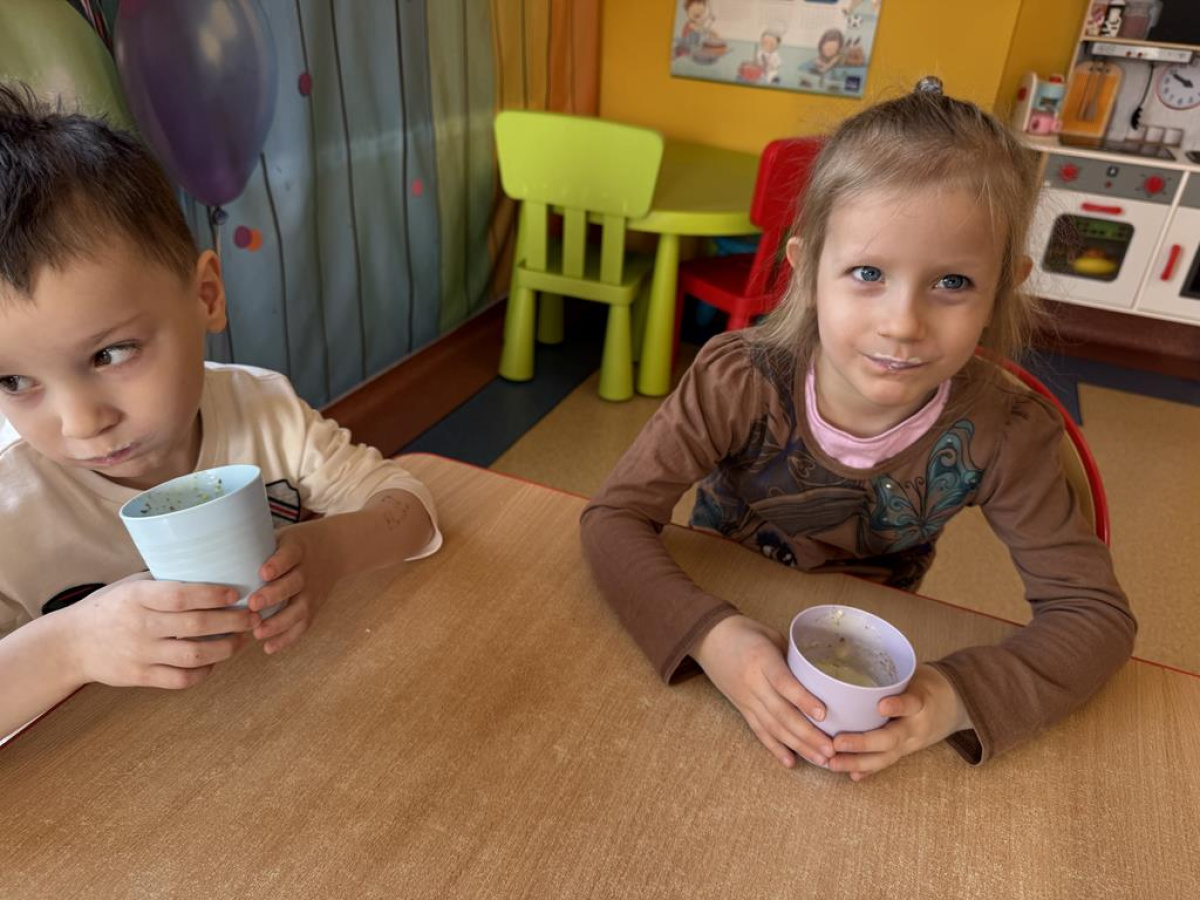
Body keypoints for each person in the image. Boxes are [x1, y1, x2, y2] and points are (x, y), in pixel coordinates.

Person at [580, 78, 1136, 779]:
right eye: (868, 272)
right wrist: (710, 636)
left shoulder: (1006, 432)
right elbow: (613, 518)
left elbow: (1095, 617)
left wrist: (953, 697)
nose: (902, 324)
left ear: (1003, 286)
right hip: (715, 614)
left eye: (953, 283)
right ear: (808, 270)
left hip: (868, 683)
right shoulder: (738, 379)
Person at [0, 83, 441, 739]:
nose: (81, 424)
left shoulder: (263, 411)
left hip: (287, 725)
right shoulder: (13, 509)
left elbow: (410, 507)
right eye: (13, 381)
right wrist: (72, 646)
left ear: (206, 296)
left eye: (110, 354)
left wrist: (331, 552)